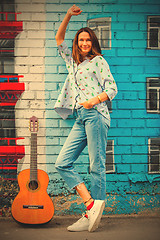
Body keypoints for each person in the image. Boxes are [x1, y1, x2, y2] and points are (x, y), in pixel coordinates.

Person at [54, 4, 118, 232]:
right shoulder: (71, 62)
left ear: (92, 43)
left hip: (96, 114)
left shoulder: (98, 61)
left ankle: (92, 216)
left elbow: (112, 89)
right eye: (81, 40)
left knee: (96, 165)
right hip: (80, 117)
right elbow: (59, 38)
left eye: (88, 40)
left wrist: (92, 101)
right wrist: (68, 16)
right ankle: (91, 205)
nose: (84, 43)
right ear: (77, 43)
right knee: (62, 162)